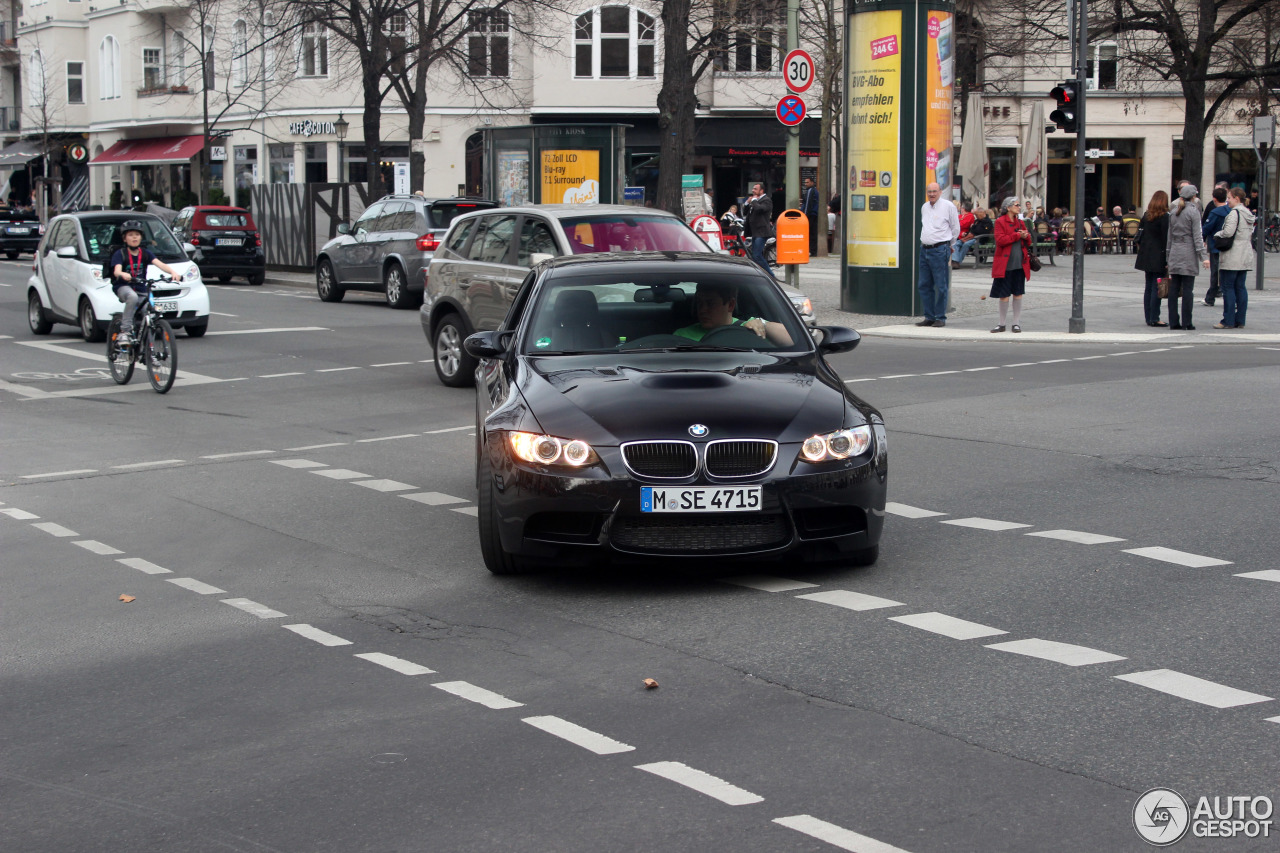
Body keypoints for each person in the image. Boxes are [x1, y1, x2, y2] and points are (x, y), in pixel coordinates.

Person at [111, 220, 181, 346]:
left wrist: (173, 272)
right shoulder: (120, 254)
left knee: (151, 314)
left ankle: (150, 350)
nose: (134, 237)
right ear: (125, 239)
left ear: (141, 237)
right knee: (132, 297)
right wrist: (123, 274)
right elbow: (116, 271)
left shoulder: (145, 253)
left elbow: (160, 264)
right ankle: (125, 331)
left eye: (137, 235)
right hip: (123, 287)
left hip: (140, 287)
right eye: (130, 235)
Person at [674, 282, 792, 346]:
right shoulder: (682, 335)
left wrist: (764, 325)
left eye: (711, 304)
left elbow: (793, 340)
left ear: (730, 305)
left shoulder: (751, 328)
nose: (702, 309)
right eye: (699, 303)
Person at [1165, 183, 1210, 330]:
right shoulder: (1193, 211)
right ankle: (1187, 322)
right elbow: (1198, 236)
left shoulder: (1173, 211)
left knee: (1174, 288)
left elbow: (1169, 236)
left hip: (1175, 251)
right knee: (1188, 290)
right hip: (1188, 251)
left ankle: (1173, 321)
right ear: (1194, 196)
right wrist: (1203, 256)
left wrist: (1168, 255)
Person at [916, 182, 960, 327]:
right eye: (929, 191)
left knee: (941, 285)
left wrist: (949, 245)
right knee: (924, 284)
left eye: (934, 191)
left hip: (940, 249)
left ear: (940, 192)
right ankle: (929, 316)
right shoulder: (924, 207)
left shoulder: (948, 206)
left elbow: (955, 228)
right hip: (925, 249)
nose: (932, 194)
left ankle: (940, 316)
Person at [1213, 188, 1255, 329]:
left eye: (1229, 198)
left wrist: (1218, 233)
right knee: (1241, 287)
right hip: (1245, 255)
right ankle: (1240, 320)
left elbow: (1228, 232)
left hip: (1232, 255)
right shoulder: (1248, 213)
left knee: (1228, 287)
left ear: (1237, 198)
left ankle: (1228, 320)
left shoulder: (1234, 213)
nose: (1227, 200)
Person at [989, 197, 1033, 332]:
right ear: (1008, 207)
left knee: (1018, 293)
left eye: (1019, 205)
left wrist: (1026, 236)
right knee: (1004, 294)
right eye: (1016, 205)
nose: (1019, 207)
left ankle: (1016, 323)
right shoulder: (1000, 222)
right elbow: (1000, 240)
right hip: (1005, 264)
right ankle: (1002, 323)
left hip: (1020, 262)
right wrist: (1017, 236)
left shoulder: (1020, 222)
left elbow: (1029, 241)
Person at [1134, 190, 1170, 327]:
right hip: (1159, 255)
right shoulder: (1165, 217)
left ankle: (1148, 316)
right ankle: (1155, 317)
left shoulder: (1146, 216)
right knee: (1157, 287)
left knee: (1148, 286)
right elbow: (1166, 239)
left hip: (1146, 254)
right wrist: (1168, 259)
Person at [1200, 187, 1229, 306]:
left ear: (1214, 199)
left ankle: (1210, 297)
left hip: (1216, 245)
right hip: (1228, 246)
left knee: (1215, 273)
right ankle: (1227, 295)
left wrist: (1203, 238)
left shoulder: (1215, 212)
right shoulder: (1231, 211)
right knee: (1227, 272)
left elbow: (1207, 228)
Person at [744, 183, 777, 280]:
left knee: (757, 255)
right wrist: (747, 203)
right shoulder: (755, 201)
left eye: (755, 189)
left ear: (761, 191)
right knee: (754, 255)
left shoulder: (766, 200)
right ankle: (760, 274)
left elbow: (759, 209)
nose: (753, 190)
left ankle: (771, 275)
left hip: (762, 232)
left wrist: (753, 201)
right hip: (755, 232)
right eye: (753, 189)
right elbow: (746, 213)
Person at [950, 202, 975, 269]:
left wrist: (956, 223)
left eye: (962, 208)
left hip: (964, 236)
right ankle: (955, 261)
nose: (961, 209)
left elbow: (963, 224)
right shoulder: (960, 216)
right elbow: (953, 224)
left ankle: (956, 261)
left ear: (964, 208)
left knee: (958, 244)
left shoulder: (970, 216)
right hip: (956, 235)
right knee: (953, 244)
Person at [802, 177, 821, 253]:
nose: (806, 184)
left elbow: (808, 204)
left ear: (812, 182)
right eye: (805, 182)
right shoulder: (814, 191)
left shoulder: (810, 191)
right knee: (813, 232)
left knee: (809, 232)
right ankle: (813, 250)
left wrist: (805, 215)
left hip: (811, 215)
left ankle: (811, 250)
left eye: (807, 182)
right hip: (813, 214)